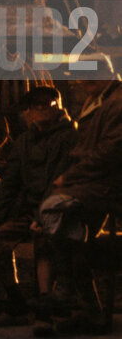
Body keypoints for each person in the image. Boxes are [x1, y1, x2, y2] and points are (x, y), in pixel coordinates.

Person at [0, 86, 76, 327]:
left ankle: (45, 310)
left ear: (58, 108)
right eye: (35, 105)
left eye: (47, 104)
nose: (40, 108)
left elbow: (61, 179)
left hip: (56, 208)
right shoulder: (24, 141)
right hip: (27, 209)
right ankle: (16, 303)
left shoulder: (69, 137)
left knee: (45, 244)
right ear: (28, 111)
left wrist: (42, 217)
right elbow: (10, 182)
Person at [35, 78, 122, 335]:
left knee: (53, 210)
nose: (84, 80)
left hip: (104, 184)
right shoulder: (99, 101)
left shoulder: (116, 104)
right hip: (91, 181)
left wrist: (71, 176)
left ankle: (68, 287)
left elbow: (110, 151)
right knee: (78, 243)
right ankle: (90, 312)